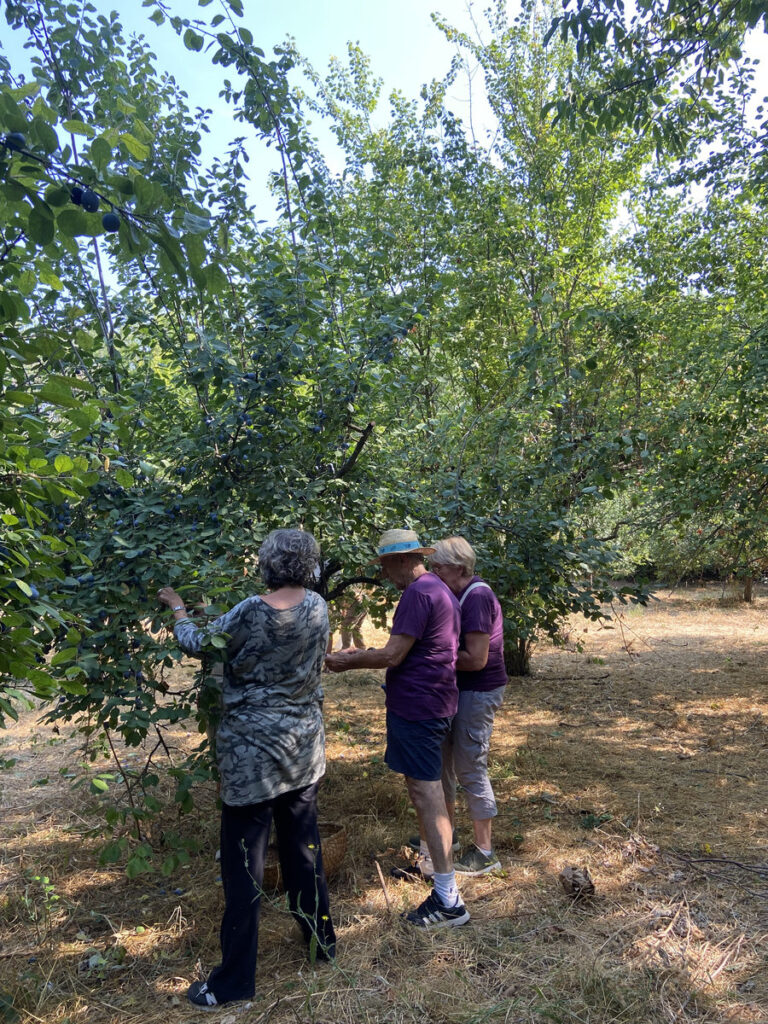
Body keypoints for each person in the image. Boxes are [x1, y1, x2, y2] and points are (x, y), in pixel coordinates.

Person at [157, 528, 336, 1009]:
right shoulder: (319, 607)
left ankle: (234, 982)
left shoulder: (251, 610)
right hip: (302, 750)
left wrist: (177, 608)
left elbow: (199, 643)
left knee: (244, 867)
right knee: (303, 850)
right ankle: (323, 942)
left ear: (267, 562)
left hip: (250, 759)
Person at [325, 528, 469, 928]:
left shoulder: (418, 594)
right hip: (436, 701)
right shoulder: (440, 590)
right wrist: (362, 652)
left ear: (405, 560)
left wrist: (346, 661)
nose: (385, 574)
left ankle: (448, 899)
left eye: (387, 565)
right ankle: (438, 877)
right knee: (428, 789)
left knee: (427, 793)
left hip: (419, 707)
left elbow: (394, 654)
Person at [426, 536, 507, 876]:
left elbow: (475, 659)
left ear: (458, 568)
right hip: (459, 690)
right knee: (443, 764)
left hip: (477, 690)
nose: (432, 571)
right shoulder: (457, 593)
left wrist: (428, 657)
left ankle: (485, 852)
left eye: (438, 566)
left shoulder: (477, 597)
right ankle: (449, 837)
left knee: (470, 766)